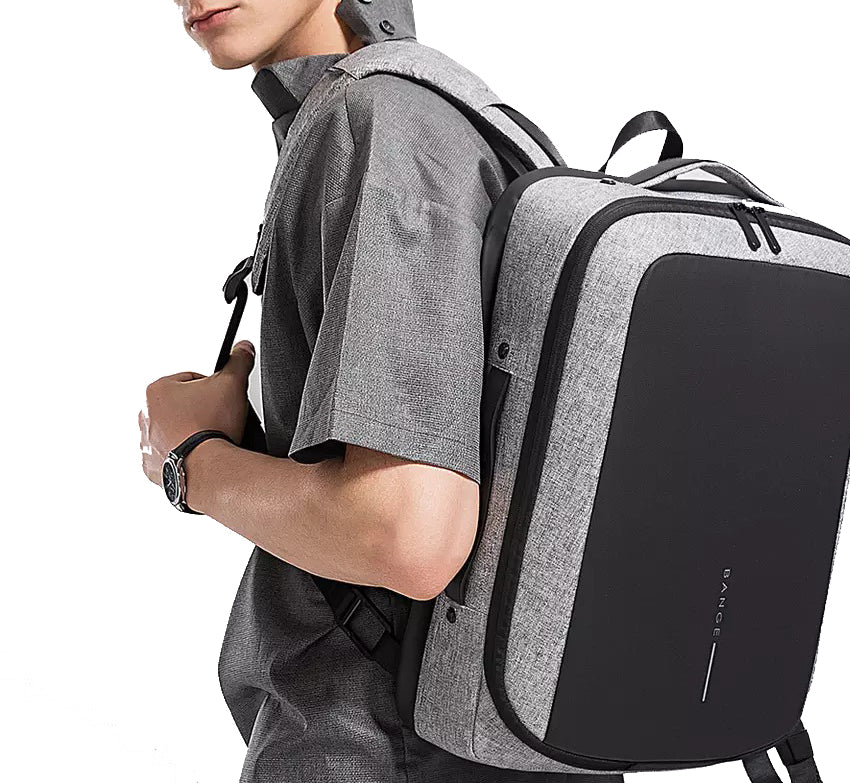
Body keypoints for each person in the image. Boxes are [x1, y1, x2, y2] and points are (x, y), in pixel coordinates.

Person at [140, 1, 620, 781]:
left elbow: (408, 534)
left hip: (376, 748)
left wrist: (188, 460)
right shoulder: (438, 108)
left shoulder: (376, 124)